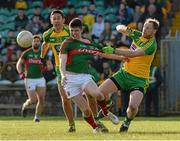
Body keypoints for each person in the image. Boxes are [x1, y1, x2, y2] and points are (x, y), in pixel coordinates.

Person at [40, 9, 107, 132]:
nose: (56, 20)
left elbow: (81, 42)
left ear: (63, 20)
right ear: (51, 20)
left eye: (58, 18)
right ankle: (71, 125)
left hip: (78, 66)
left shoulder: (70, 31)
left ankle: (97, 120)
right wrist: (44, 59)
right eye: (53, 18)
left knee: (90, 96)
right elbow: (45, 45)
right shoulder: (48, 34)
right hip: (61, 69)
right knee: (65, 99)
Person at [59, 18, 119, 133]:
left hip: (84, 77)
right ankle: (95, 127)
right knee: (86, 110)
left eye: (76, 30)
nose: (74, 33)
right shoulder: (67, 43)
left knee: (98, 94)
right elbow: (62, 61)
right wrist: (63, 75)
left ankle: (106, 112)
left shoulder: (88, 43)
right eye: (72, 31)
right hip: (70, 80)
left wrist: (122, 58)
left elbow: (105, 53)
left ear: (81, 30)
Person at [101, 18, 159, 132]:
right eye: (144, 26)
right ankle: (108, 105)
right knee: (100, 92)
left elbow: (133, 54)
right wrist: (122, 29)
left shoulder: (151, 44)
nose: (144, 29)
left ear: (154, 31)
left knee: (132, 107)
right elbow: (119, 27)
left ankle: (126, 123)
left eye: (148, 28)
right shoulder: (137, 35)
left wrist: (113, 50)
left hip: (139, 80)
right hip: (124, 73)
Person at [16, 35, 52, 122]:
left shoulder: (43, 54)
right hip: (29, 79)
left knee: (41, 99)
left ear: (40, 43)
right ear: (31, 42)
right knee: (33, 100)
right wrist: (21, 73)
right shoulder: (26, 53)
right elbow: (18, 64)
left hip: (40, 78)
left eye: (37, 41)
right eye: (34, 41)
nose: (36, 42)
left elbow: (50, 65)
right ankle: (25, 105)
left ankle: (37, 117)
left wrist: (46, 68)